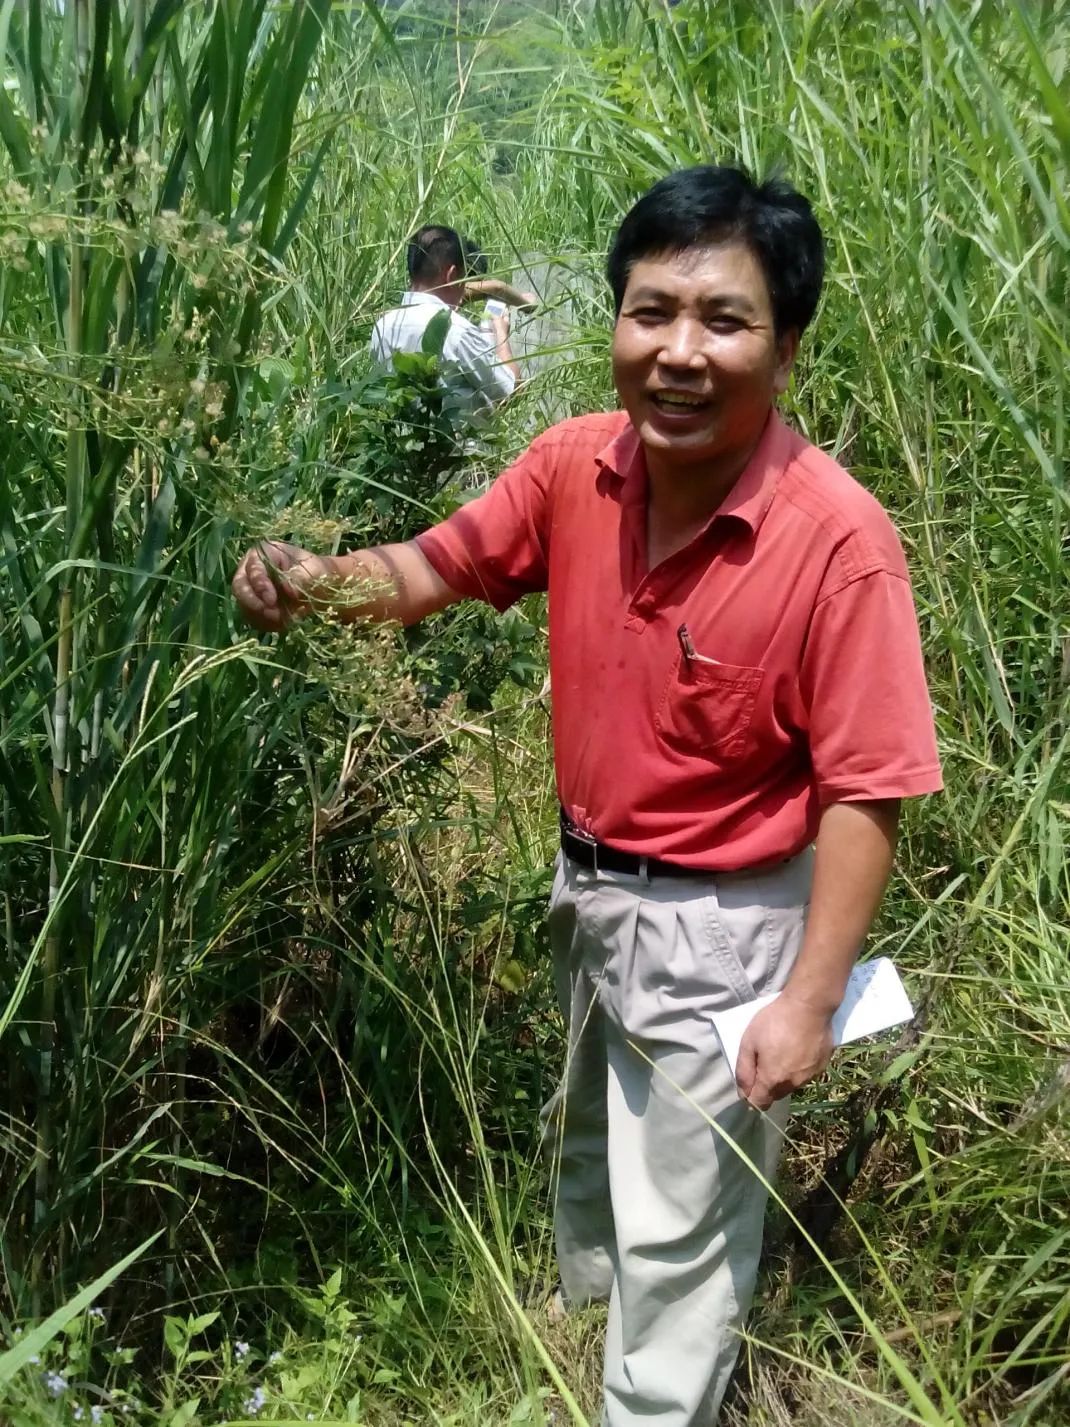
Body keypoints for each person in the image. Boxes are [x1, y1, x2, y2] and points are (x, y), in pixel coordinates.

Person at [233, 166, 942, 1426]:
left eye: (722, 320)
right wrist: (315, 580)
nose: (677, 351)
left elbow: (866, 788)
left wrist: (807, 999)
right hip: (590, 893)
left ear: (785, 346)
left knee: (681, 1237)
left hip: (725, 933)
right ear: (615, 319)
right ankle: (617, 1353)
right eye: (648, 310)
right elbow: (432, 566)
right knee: (604, 1170)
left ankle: (654, 1399)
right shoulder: (574, 466)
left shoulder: (837, 541)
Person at [371, 223, 533, 420]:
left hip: (402, 438)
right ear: (452, 275)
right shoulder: (456, 331)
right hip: (458, 440)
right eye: (464, 278)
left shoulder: (382, 327)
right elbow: (513, 391)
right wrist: (500, 332)